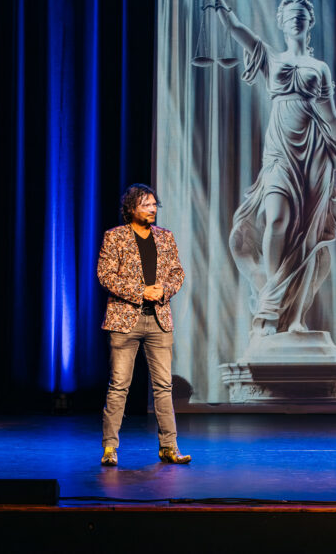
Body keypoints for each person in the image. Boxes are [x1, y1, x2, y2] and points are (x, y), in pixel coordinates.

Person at [207, 0, 336, 338]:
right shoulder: (270, 57)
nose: (295, 18)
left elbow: (332, 116)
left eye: (301, 15)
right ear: (280, 23)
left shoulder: (318, 68)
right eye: (289, 14)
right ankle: (271, 301)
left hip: (315, 155)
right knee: (275, 220)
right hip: (280, 151)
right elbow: (236, 29)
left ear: (309, 24)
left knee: (306, 236)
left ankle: (291, 315)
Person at [97, 183, 190, 466]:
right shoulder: (115, 237)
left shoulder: (165, 237)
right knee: (119, 386)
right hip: (125, 320)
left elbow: (177, 272)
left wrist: (164, 290)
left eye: (154, 205)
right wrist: (141, 291)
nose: (152, 209)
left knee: (163, 386)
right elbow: (106, 275)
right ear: (131, 208)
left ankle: (169, 447)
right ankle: (110, 448)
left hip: (159, 320)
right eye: (146, 204)